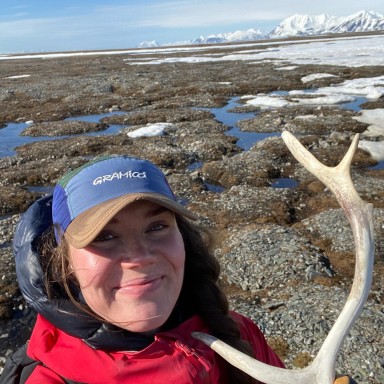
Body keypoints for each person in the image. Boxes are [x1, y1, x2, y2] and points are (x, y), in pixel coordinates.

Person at [0, 155, 355, 384]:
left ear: (182, 238)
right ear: (63, 264)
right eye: (104, 236)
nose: (139, 257)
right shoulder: (46, 378)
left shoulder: (238, 332)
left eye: (157, 227)